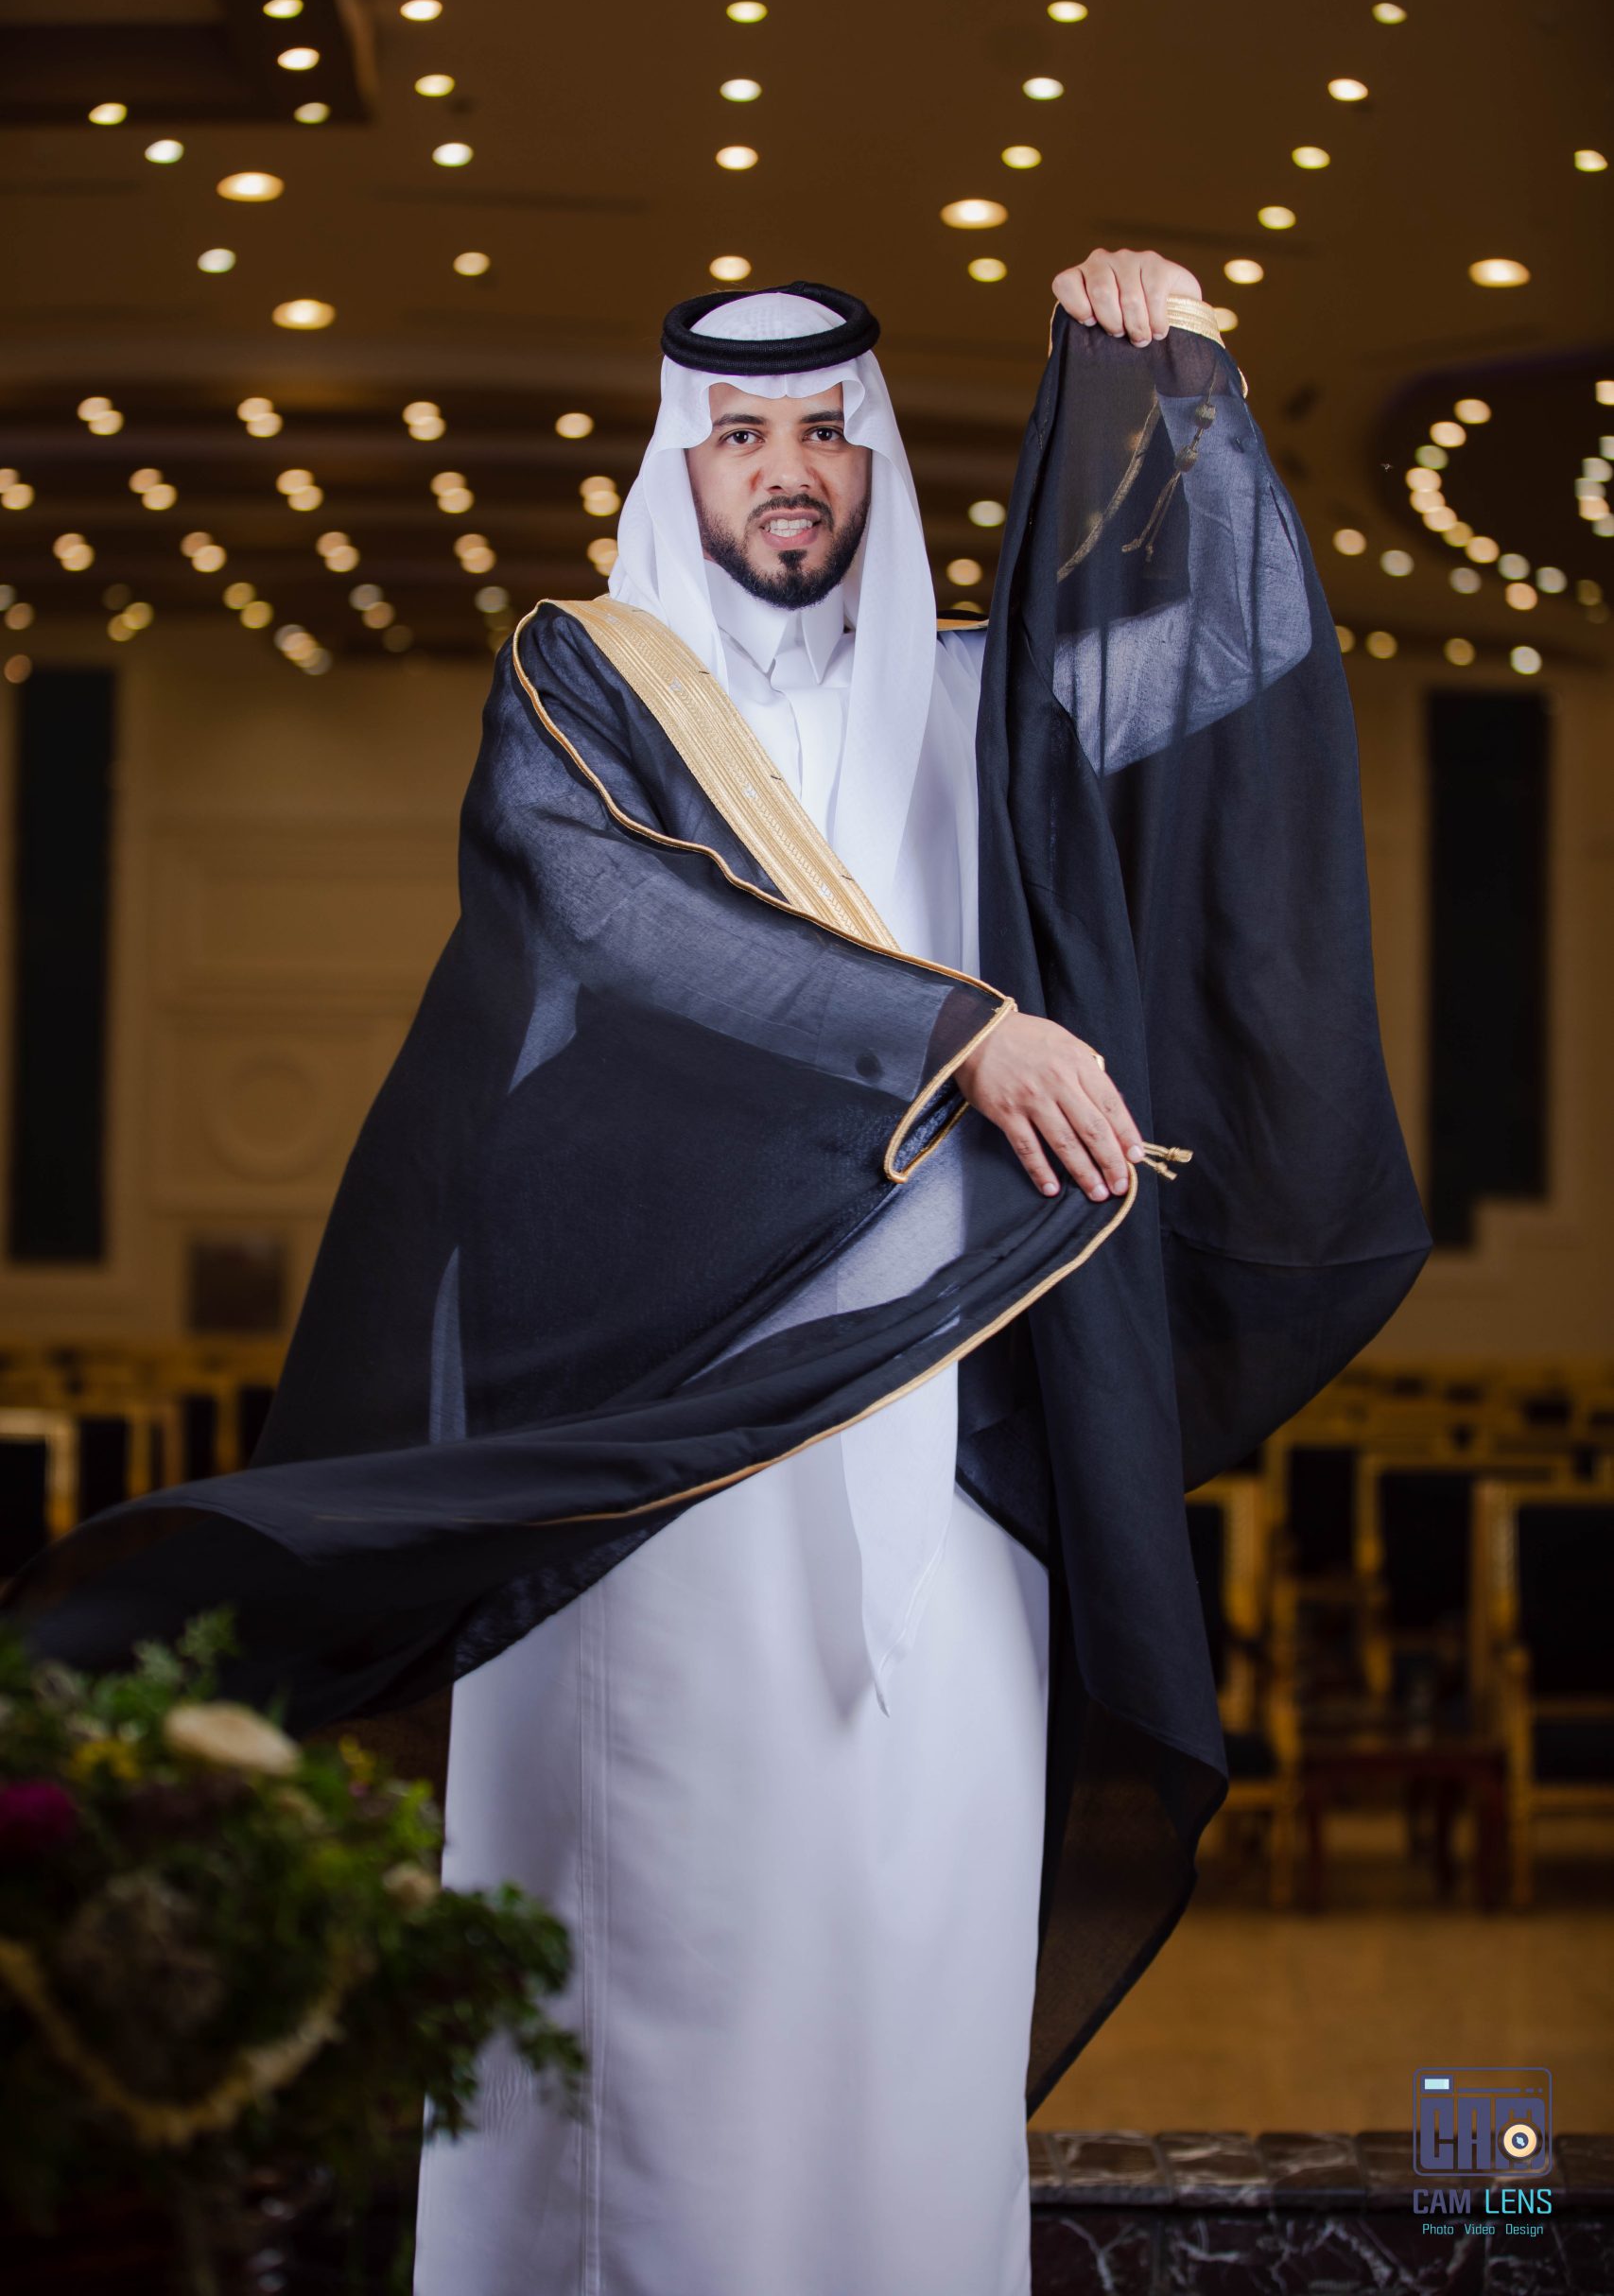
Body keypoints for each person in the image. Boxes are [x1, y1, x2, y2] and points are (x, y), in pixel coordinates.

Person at [1, 252, 1430, 2296]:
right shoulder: (584, 683)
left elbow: (1228, 652)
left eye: (826, 433)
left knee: (911, 1967)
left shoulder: (980, 701)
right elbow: (626, 915)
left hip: (952, 1455)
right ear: (682, 461)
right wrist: (959, 1029)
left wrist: (1178, 371)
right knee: (658, 1971)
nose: (788, 471)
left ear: (874, 460)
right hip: (666, 1459)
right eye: (741, 434)